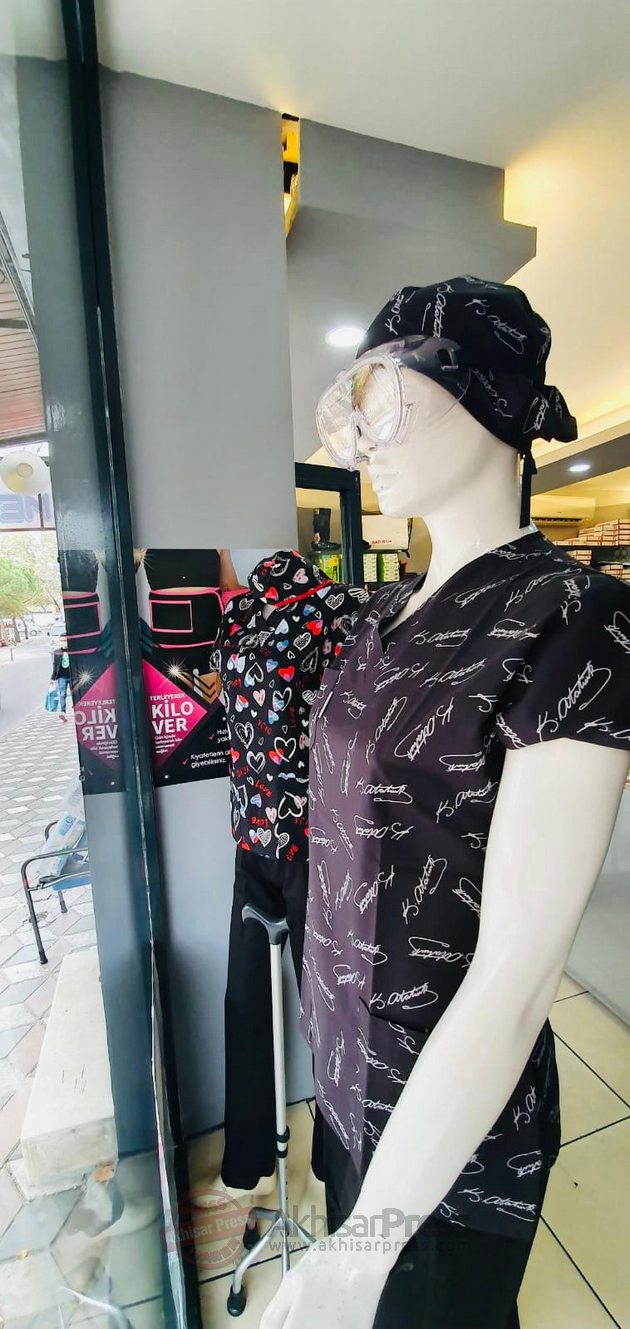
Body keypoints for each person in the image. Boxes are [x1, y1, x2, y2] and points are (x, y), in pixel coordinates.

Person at [260, 277, 630, 1329]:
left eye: (387, 400)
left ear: (490, 399)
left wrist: (360, 1251)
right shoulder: (380, 611)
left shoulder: (575, 619)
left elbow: (517, 978)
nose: (362, 439)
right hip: (348, 1083)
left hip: (451, 1138)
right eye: (355, 410)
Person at [50, 635, 72, 723]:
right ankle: (63, 712)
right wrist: (52, 678)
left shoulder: (73, 651)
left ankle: (77, 709)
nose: (63, 643)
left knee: (75, 693)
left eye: (65, 640)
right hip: (62, 676)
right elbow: (55, 665)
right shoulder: (57, 652)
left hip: (72, 676)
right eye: (61, 641)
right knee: (62, 694)